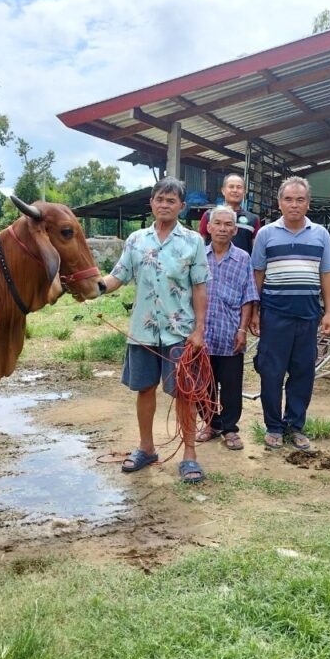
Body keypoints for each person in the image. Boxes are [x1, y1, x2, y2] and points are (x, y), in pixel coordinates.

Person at [100, 177, 210, 482]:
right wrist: (94, 288)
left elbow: (199, 288)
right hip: (143, 331)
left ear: (182, 206)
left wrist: (199, 330)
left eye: (171, 200)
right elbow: (118, 276)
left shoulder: (193, 242)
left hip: (180, 331)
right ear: (151, 203)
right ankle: (146, 448)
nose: (164, 205)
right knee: (144, 388)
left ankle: (189, 455)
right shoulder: (136, 240)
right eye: (159, 199)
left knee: (185, 393)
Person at [249, 176, 330, 450]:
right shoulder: (266, 234)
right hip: (274, 315)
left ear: (308, 203)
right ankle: (274, 427)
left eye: (300, 200)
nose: (294, 205)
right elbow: (258, 274)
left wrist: (328, 313)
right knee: (271, 372)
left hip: (308, 315)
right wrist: (254, 311)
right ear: (279, 203)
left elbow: (327, 274)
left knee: (303, 372)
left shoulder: (320, 234)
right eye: (288, 199)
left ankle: (295, 426)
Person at [196, 206, 259, 451]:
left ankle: (230, 429)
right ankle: (211, 424)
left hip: (230, 333)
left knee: (232, 385)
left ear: (234, 230)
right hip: (202, 333)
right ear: (209, 227)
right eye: (218, 224)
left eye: (228, 225)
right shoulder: (198, 256)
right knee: (204, 383)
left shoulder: (243, 258)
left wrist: (242, 330)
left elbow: (248, 296)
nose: (222, 229)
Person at [199, 173, 261, 253]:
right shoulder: (209, 216)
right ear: (223, 191)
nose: (235, 190)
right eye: (231, 187)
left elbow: (256, 251)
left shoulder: (253, 219)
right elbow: (200, 246)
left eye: (239, 187)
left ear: (244, 192)